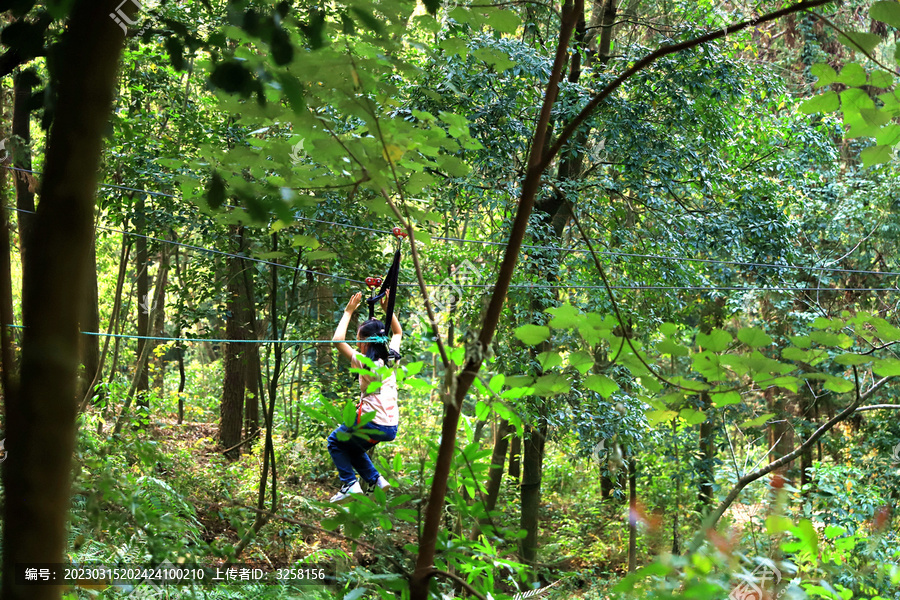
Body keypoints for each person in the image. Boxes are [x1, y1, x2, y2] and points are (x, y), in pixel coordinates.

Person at [327, 290, 402, 503]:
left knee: (335, 442)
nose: (357, 342)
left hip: (371, 421)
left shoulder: (363, 361)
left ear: (367, 342)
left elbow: (337, 340)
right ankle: (376, 479)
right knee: (353, 448)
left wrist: (348, 311)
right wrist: (388, 312)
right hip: (390, 427)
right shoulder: (391, 358)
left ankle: (350, 484)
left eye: (359, 339)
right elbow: (397, 334)